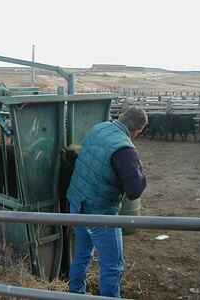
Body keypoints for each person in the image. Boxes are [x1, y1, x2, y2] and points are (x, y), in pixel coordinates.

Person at [66, 107, 148, 297]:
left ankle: (75, 293)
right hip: (101, 211)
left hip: (77, 201)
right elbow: (135, 190)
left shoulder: (100, 128)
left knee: (81, 254)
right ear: (138, 130)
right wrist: (139, 171)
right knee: (113, 265)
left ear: (122, 117)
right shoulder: (124, 148)